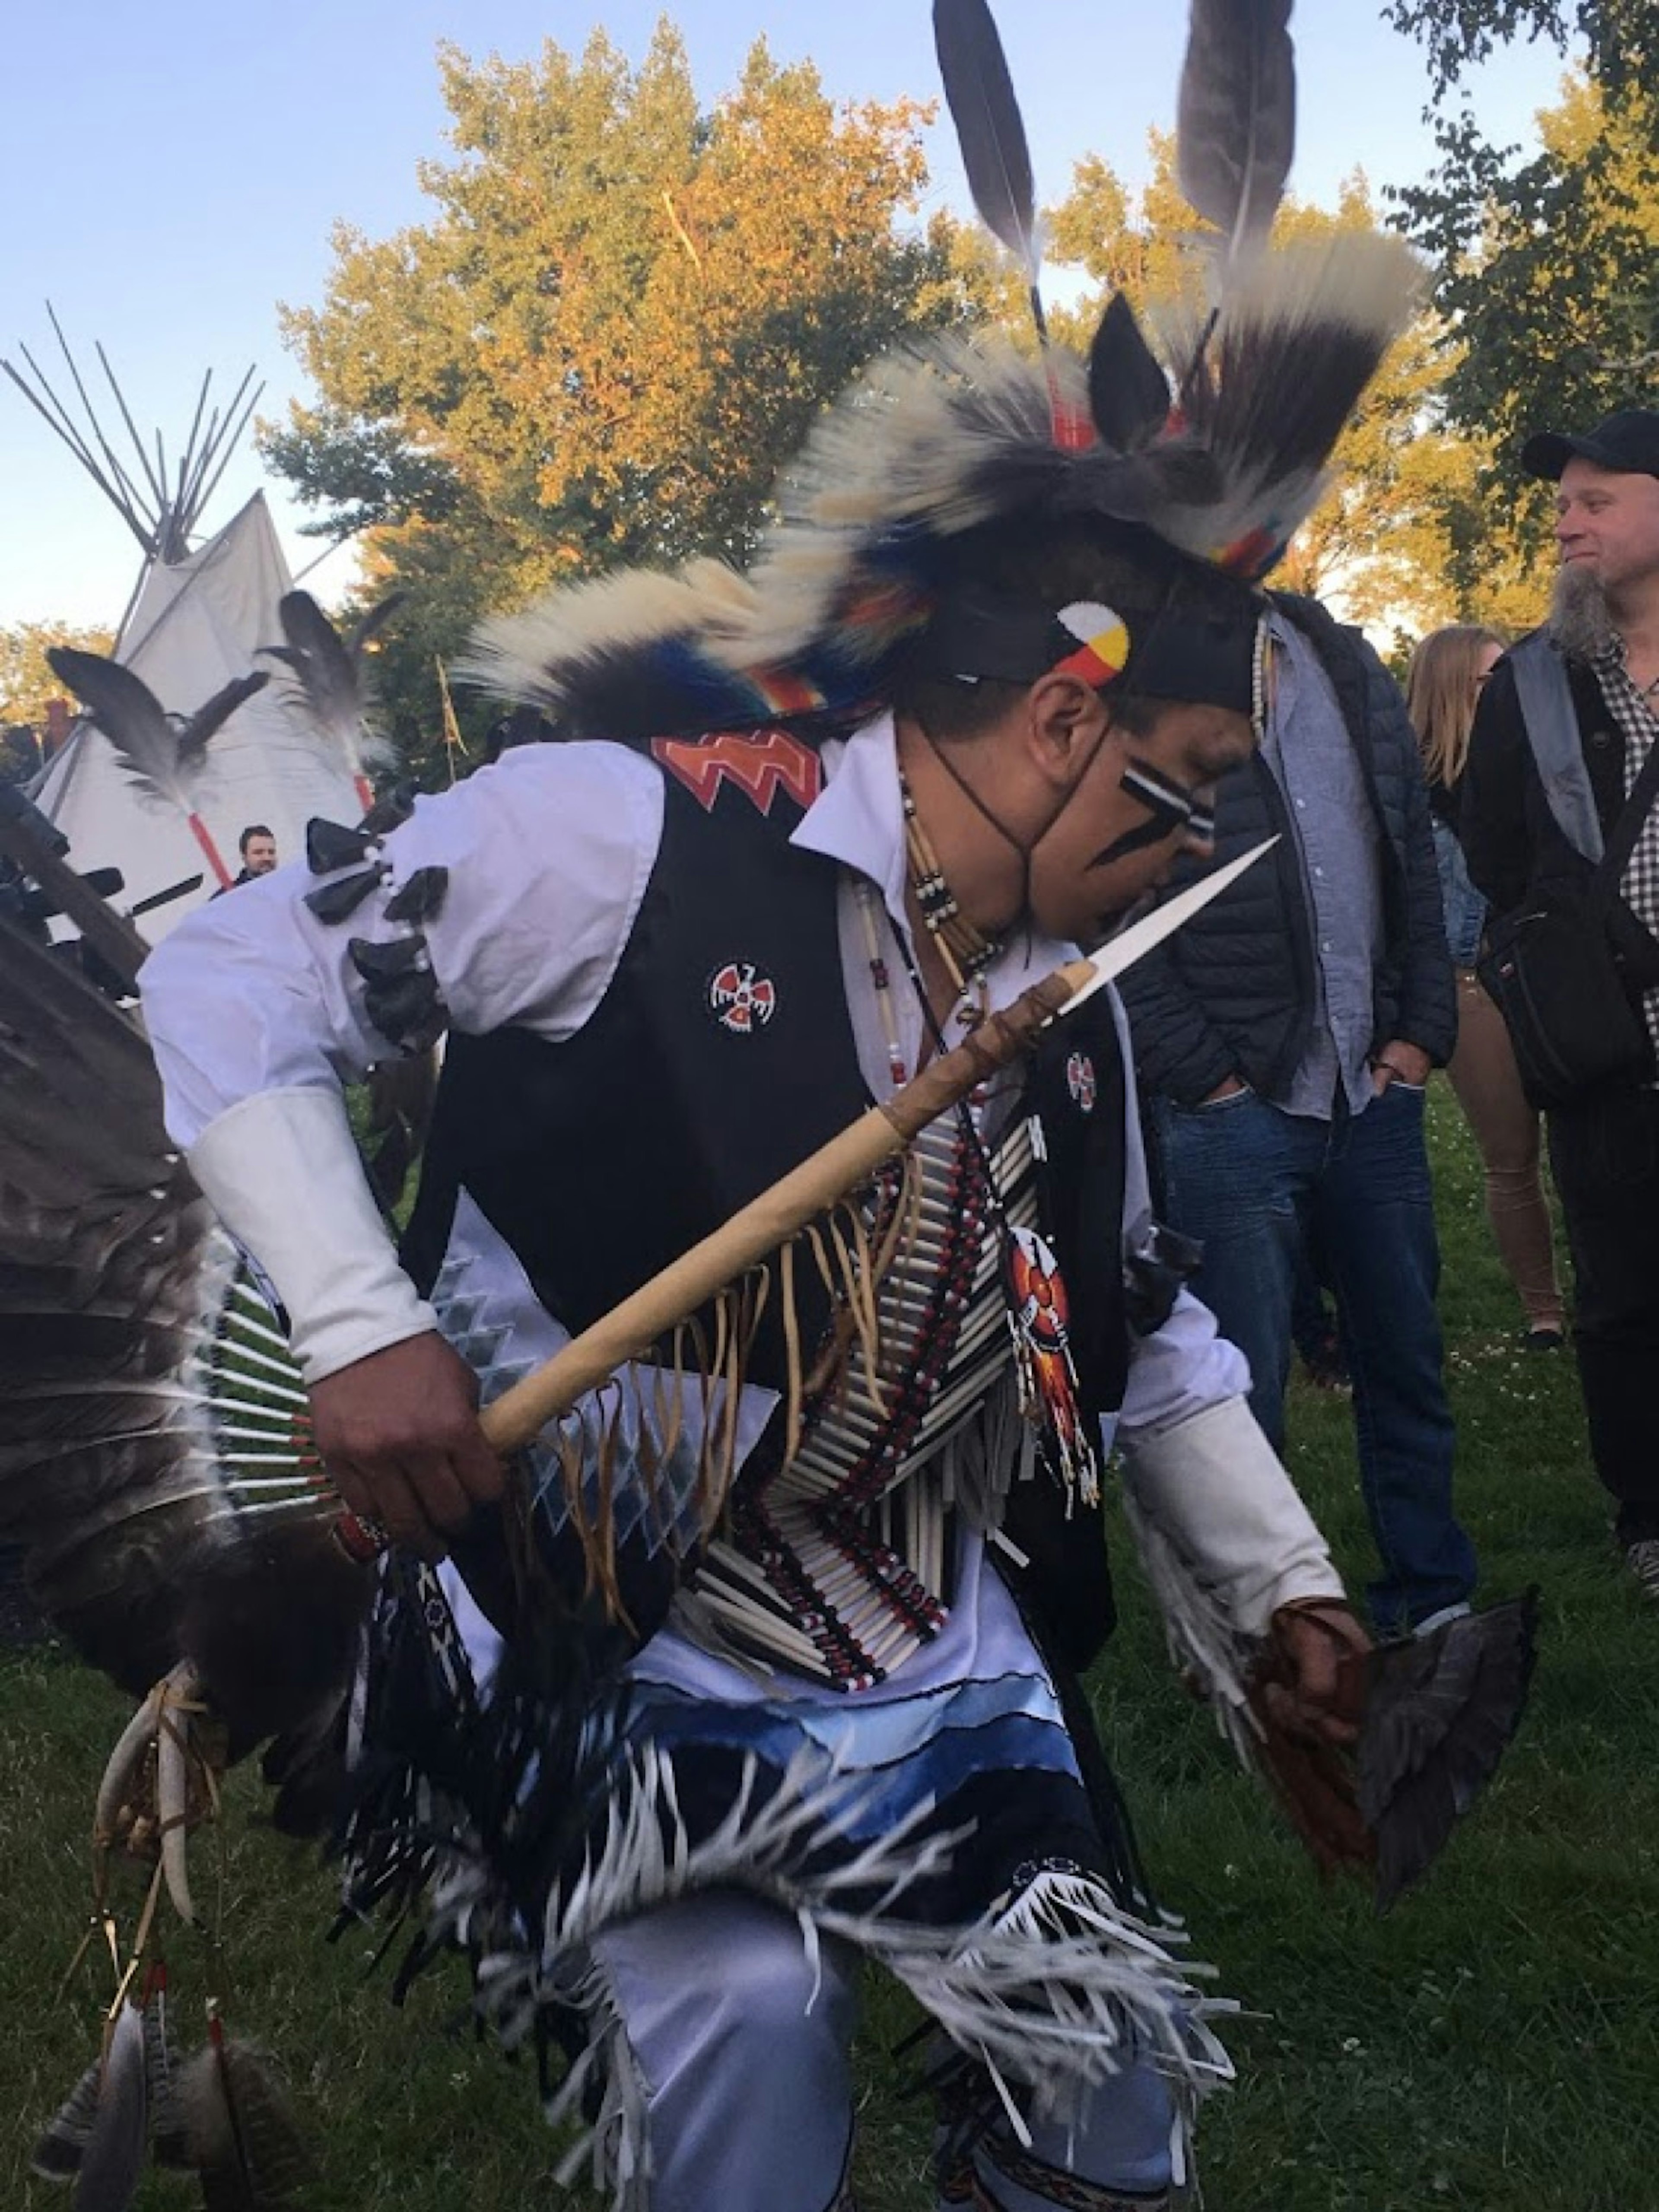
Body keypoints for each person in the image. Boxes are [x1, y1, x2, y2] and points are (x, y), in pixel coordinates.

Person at [138, 156, 1420, 2212]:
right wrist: (364, 1326)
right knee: (741, 2024)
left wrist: (1283, 1592)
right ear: (1059, 715)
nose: (1195, 845)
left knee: (1094, 2041)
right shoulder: (618, 843)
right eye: (1185, 782)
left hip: (923, 1625)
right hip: (613, 1609)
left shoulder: (1063, 1005)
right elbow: (234, 968)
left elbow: (1136, 1319)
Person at [1119, 594, 1476, 1640]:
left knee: (1405, 1360)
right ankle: (1256, 1632)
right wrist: (1204, 1075)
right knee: (1231, 1391)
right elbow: (1115, 903)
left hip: (1370, 1091)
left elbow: (1407, 852)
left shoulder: (1341, 657)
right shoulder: (1141, 670)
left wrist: (1416, 1037)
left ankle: (1432, 1597)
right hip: (1231, 1106)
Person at [1460, 407, 1659, 1599]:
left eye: (1595, 502)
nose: (1567, 523)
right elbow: (1490, 850)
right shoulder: (1532, 685)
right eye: (1561, 508)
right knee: (1625, 1293)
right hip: (1604, 1047)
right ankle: (1649, 1517)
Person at [1407, 625, 1565, 1348]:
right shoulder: (1413, 794)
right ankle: (1545, 1313)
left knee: (1595, 1143)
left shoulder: (1542, 769)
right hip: (1471, 983)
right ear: (1450, 691)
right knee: (1511, 1157)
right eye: (1488, 682)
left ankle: (1608, 1288)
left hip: (1551, 972)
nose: (1508, 694)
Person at [215, 822, 277, 892]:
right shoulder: (228, 896)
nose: (267, 858)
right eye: (259, 853)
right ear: (244, 857)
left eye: (271, 852)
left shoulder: (287, 888)